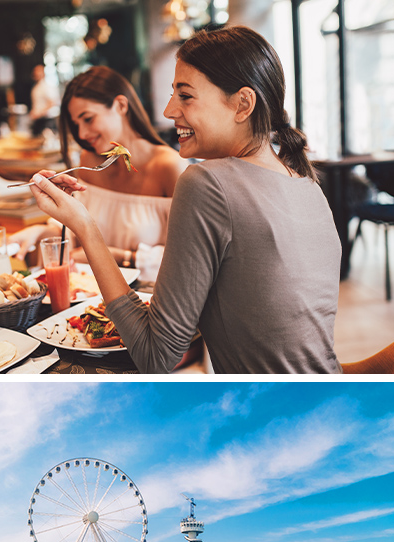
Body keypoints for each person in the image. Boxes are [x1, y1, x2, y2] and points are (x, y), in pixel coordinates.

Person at [26, 26, 341, 374]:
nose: (168, 110)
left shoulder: (207, 183)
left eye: (185, 96)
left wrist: (85, 226)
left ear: (243, 104)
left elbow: (155, 357)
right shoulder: (306, 182)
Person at [12, 66, 186, 270]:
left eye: (88, 119)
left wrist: (121, 257)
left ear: (120, 105)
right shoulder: (89, 161)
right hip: (92, 295)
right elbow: (78, 229)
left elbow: (189, 258)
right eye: (76, 124)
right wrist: (41, 232)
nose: (83, 133)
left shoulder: (168, 166)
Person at [27, 64, 58, 135]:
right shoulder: (36, 87)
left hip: (46, 120)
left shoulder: (46, 86)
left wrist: (39, 113)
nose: (36, 73)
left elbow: (52, 103)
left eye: (39, 71)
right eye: (35, 71)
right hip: (38, 120)